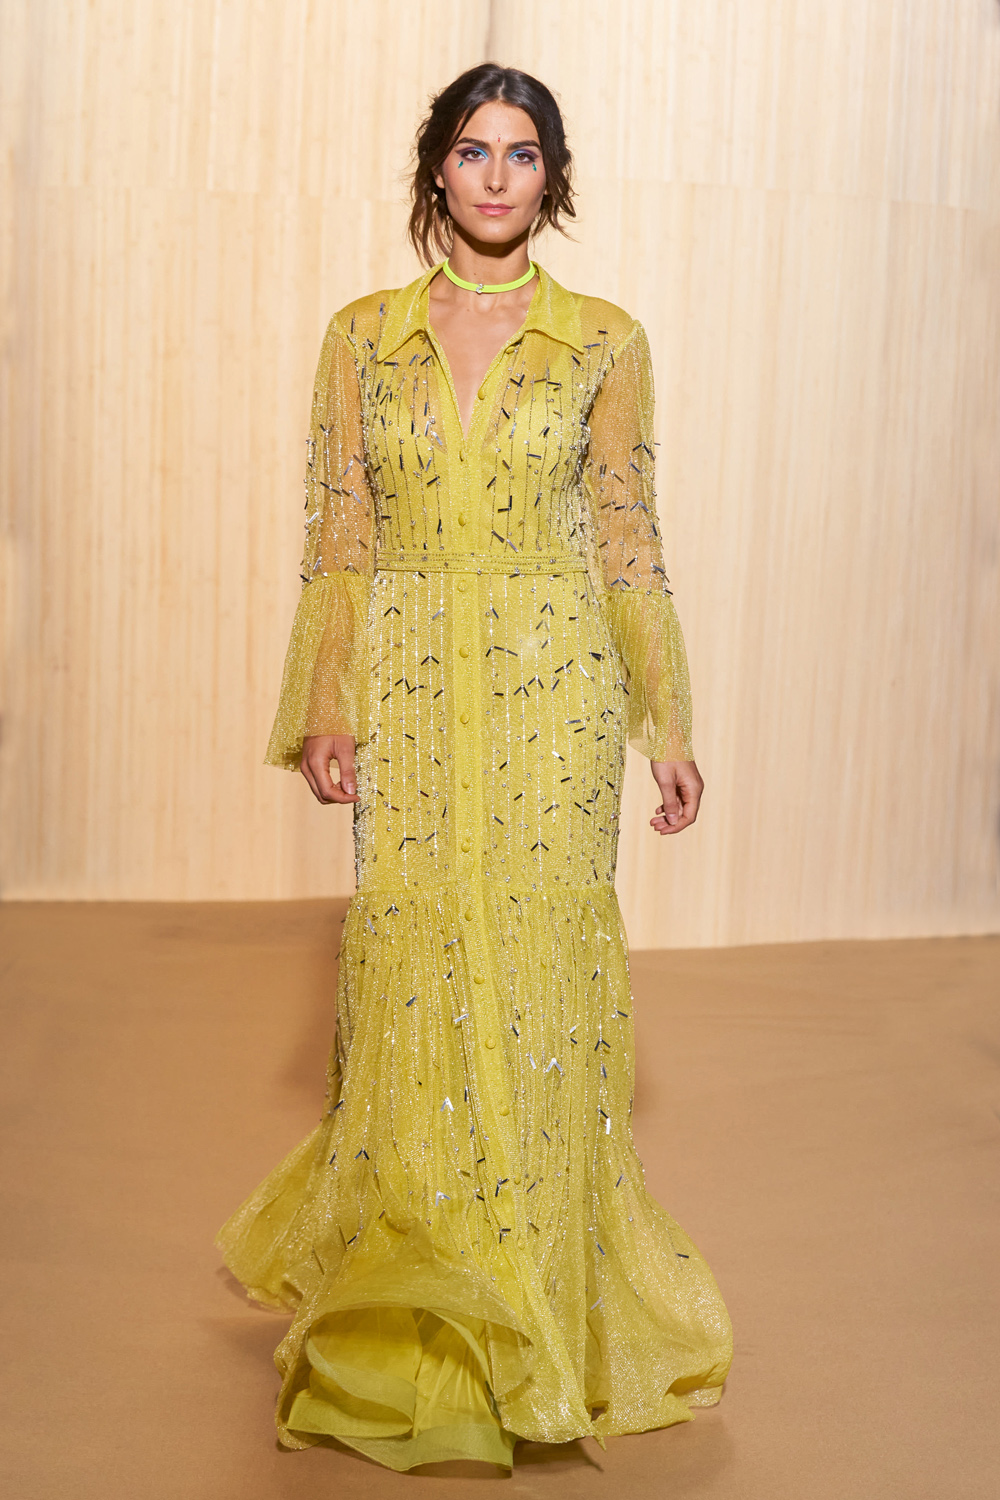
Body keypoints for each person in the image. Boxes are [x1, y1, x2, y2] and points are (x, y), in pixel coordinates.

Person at [217, 62, 732, 1473]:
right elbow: (338, 537)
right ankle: (426, 1319)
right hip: (408, 694)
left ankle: (544, 1317)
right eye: (471, 150)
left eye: (521, 153)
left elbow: (629, 541)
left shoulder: (604, 341)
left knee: (541, 978)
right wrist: (327, 704)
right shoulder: (361, 338)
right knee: (413, 967)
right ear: (435, 171)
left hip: (556, 696)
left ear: (550, 177)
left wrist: (667, 725)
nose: (496, 176)